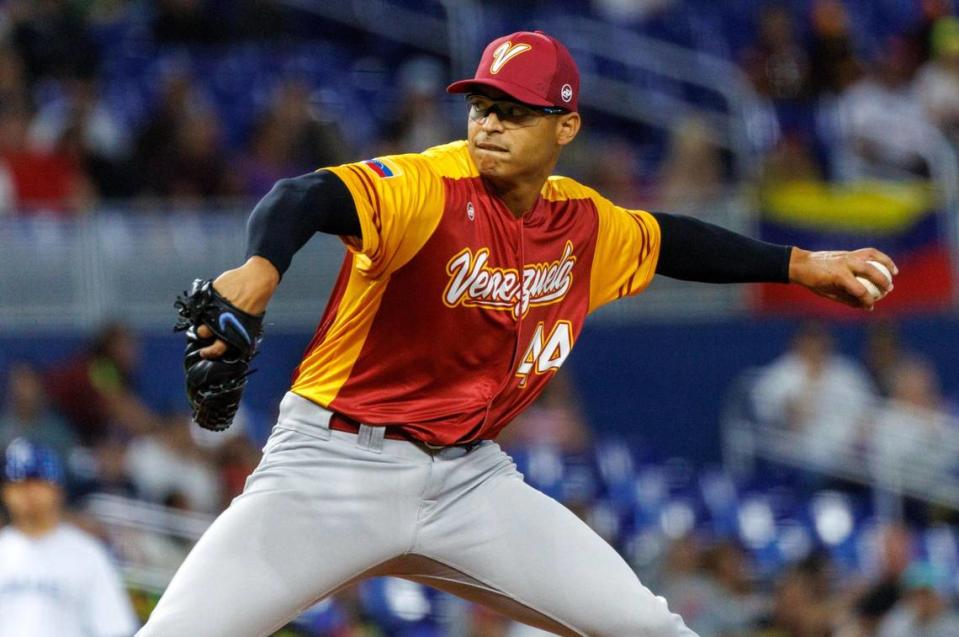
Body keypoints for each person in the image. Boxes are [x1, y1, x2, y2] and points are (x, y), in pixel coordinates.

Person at [138, 31, 897, 636]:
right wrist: (263, 267)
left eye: (514, 110)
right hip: (332, 466)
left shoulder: (581, 222)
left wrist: (798, 264)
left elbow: (671, 240)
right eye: (480, 105)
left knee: (643, 624)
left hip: (468, 481)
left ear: (565, 125)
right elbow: (304, 194)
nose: (489, 122)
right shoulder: (431, 188)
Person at [0, 438, 138, 636]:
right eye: (18, 484)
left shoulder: (86, 553)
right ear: (6, 492)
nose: (26, 492)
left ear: (56, 488)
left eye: (35, 482)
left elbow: (114, 627)